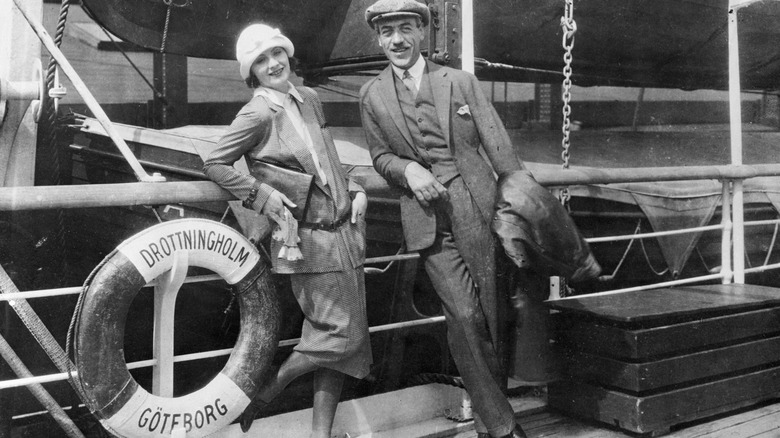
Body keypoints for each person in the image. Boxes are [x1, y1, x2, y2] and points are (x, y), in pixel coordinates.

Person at [359, 1, 528, 437]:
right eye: (386, 32)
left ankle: (494, 421)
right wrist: (408, 170)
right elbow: (380, 156)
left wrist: (519, 212)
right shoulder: (372, 95)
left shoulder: (460, 81)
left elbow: (501, 151)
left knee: (494, 316)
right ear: (378, 38)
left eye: (404, 29)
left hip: (478, 208)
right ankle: (504, 427)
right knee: (466, 316)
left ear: (422, 32)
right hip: (426, 220)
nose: (396, 39)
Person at [203, 23, 372, 438]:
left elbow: (325, 157)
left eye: (276, 54)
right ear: (252, 73)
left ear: (287, 55)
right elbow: (215, 163)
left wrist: (354, 187)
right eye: (261, 60)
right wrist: (261, 196)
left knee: (344, 346)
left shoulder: (309, 98)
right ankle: (266, 390)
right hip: (307, 241)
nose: (272, 64)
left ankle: (320, 434)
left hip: (345, 233)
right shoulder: (257, 113)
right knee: (342, 337)